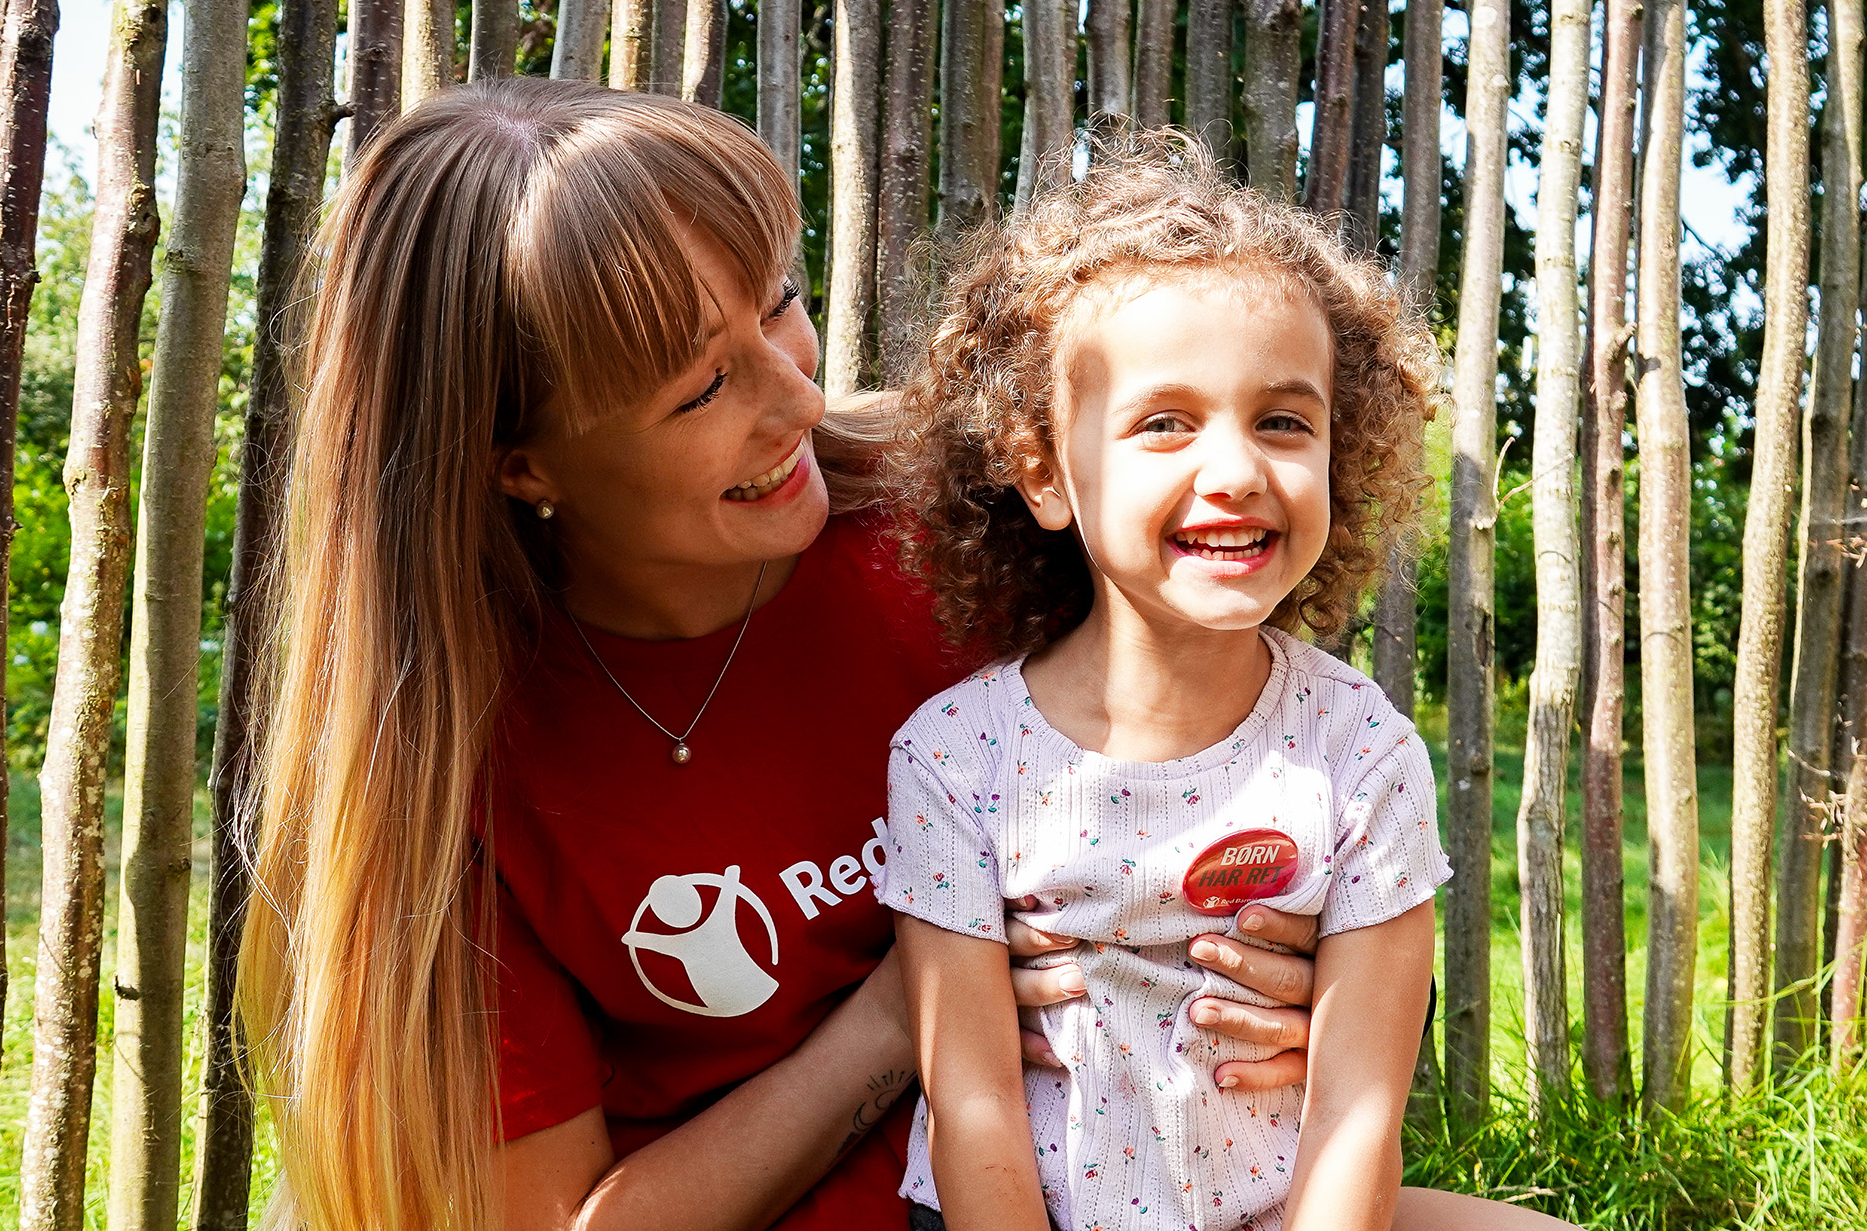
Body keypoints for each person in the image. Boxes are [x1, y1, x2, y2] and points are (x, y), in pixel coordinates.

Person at [235, 79, 1323, 1231]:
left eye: (781, 304)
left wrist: (1287, 964)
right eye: (703, 385)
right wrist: (911, 1007)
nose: (801, 397)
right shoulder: (449, 775)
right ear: (520, 460)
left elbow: (1254, 798)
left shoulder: (973, 536)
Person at [878, 134, 1566, 1231]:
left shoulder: (1360, 751)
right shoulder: (955, 756)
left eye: (1283, 421)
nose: (1238, 470)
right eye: (1165, 422)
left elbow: (1355, 1120)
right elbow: (970, 1108)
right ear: (1045, 470)